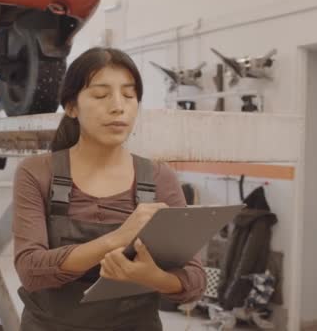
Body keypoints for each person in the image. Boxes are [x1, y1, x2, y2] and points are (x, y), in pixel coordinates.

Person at [12, 47, 207, 331]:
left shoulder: (158, 177)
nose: (118, 106)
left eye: (129, 96)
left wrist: (153, 277)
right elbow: (31, 270)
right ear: (71, 106)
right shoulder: (37, 173)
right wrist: (116, 239)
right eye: (101, 95)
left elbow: (194, 280)